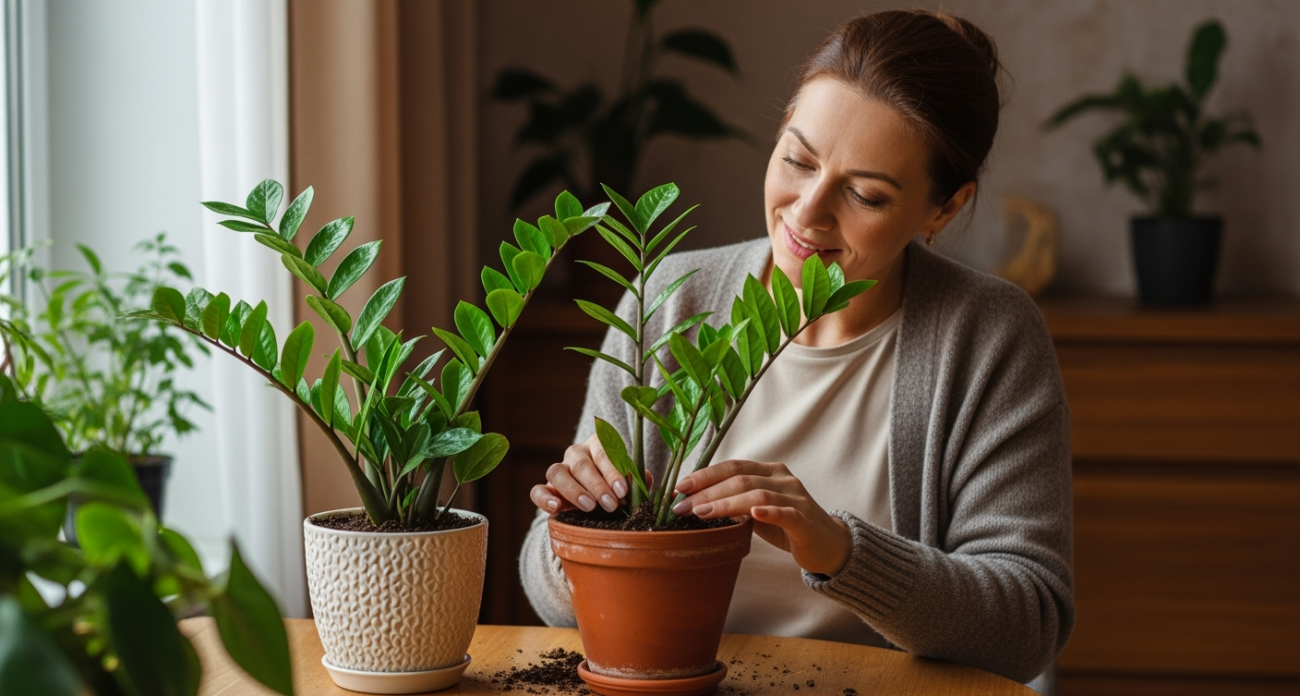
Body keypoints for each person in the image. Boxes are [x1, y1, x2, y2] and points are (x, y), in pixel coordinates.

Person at [518, 10, 1073, 684]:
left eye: (865, 194)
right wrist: (574, 527)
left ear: (942, 210)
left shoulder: (987, 337)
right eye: (797, 159)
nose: (808, 211)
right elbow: (553, 603)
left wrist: (838, 550)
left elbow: (1028, 626)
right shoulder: (674, 299)